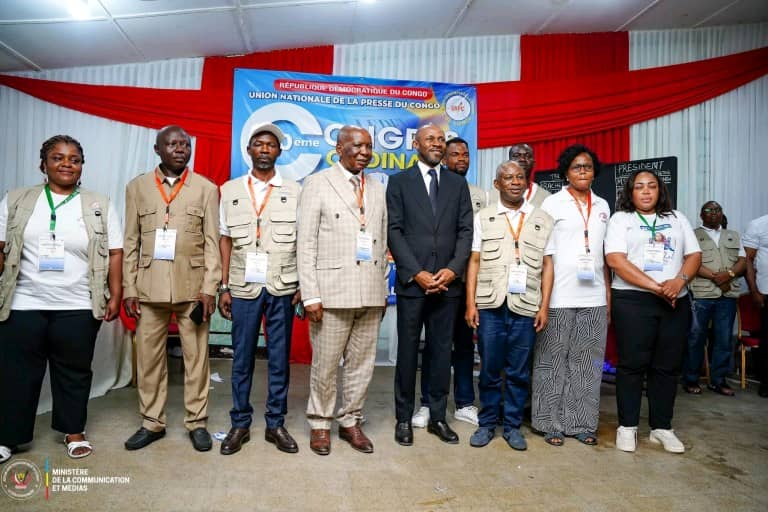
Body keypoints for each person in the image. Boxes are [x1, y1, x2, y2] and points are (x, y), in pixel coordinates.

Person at [0, 135, 123, 463]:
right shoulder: (16, 200)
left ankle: (73, 431)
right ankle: (9, 436)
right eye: (58, 158)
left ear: (82, 166)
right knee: (17, 373)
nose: (67, 164)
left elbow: (115, 252)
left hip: (78, 303)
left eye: (74, 159)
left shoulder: (99, 204)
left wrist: (116, 294)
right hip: (24, 302)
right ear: (43, 164)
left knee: (74, 371)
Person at [122, 125, 221, 452]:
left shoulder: (206, 188)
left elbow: (212, 243)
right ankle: (152, 422)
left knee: (197, 359)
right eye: (173, 144)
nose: (180, 149)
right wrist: (129, 287)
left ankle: (197, 422)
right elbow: (131, 241)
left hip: (192, 289)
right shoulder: (137, 187)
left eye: (185, 144)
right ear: (157, 149)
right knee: (149, 359)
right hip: (149, 289)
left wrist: (210, 288)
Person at [298, 125, 388, 455]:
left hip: (370, 292)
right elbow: (305, 243)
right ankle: (320, 423)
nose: (364, 152)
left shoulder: (376, 186)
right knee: (325, 364)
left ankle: (351, 421)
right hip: (331, 293)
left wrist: (381, 290)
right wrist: (311, 294)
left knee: (361, 365)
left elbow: (382, 241)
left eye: (369, 147)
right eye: (357, 146)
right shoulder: (317, 183)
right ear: (339, 149)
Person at [217, 124, 301, 455]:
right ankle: (240, 423)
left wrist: (303, 284)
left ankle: (275, 424)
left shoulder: (296, 191)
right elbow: (225, 239)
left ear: (279, 151)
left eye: (271, 145)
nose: (264, 149)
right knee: (242, 358)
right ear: (249, 150)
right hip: (243, 286)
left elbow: (304, 240)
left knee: (279, 358)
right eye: (258, 144)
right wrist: (224, 286)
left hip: (282, 285)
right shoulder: (229, 190)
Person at [388, 124, 473, 446]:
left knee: (440, 353)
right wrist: (416, 272)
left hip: (448, 285)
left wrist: (452, 270)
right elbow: (394, 230)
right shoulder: (399, 182)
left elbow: (466, 231)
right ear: (416, 144)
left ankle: (438, 416)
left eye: (440, 139)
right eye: (430, 139)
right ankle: (403, 418)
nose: (437, 144)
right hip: (414, 284)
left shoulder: (456, 183)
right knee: (408, 353)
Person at [605, 170, 701, 454]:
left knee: (667, 366)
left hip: (675, 301)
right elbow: (616, 260)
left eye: (652, 186)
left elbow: (694, 255)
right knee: (632, 364)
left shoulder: (677, 218)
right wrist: (658, 288)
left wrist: (678, 282)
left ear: (660, 191)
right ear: (630, 192)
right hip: (633, 301)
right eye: (639, 187)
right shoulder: (621, 219)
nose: (646, 191)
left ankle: (662, 428)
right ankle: (627, 426)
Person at [465, 160, 554, 450]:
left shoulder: (542, 218)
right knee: (490, 369)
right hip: (490, 305)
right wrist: (470, 304)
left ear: (527, 183)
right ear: (497, 184)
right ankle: (487, 423)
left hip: (526, 305)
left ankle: (513, 426)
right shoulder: (484, 217)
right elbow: (474, 261)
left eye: (520, 177)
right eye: (508, 178)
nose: (515, 182)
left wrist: (544, 307)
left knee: (518, 371)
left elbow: (548, 265)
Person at [532, 144, 610, 447]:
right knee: (551, 362)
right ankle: (548, 422)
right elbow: (543, 255)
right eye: (577, 167)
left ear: (594, 172)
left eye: (587, 166)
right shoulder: (552, 204)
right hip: (558, 296)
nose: (583, 171)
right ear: (566, 172)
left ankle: (580, 422)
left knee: (587, 363)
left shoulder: (603, 205)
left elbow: (604, 257)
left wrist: (608, 299)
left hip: (594, 297)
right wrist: (543, 300)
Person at [413, 136, 483, 429]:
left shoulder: (480, 194)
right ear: (443, 158)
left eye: (465, 155)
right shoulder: (429, 189)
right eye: (455, 154)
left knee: (464, 344)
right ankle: (428, 403)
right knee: (435, 345)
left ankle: (465, 403)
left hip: (467, 283)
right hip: (438, 281)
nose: (461, 159)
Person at [682, 201, 746, 396]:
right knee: (696, 338)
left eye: (717, 210)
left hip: (727, 296)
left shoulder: (733, 235)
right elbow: (689, 261)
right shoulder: (692, 235)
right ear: (701, 215)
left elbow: (742, 261)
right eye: (708, 210)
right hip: (701, 295)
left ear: (722, 214)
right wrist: (717, 278)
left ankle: (718, 381)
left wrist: (729, 275)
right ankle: (691, 379)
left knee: (724, 339)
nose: (713, 213)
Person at [743, 213, 768, 397]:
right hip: (766, 292)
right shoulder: (759, 224)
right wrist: (754, 290)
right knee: (766, 341)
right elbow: (748, 260)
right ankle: (766, 382)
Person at [508, 143, 550, 208]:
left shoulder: (546, 197)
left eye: (527, 156)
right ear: (509, 163)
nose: (522, 159)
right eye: (516, 156)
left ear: (533, 163)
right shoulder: (492, 196)